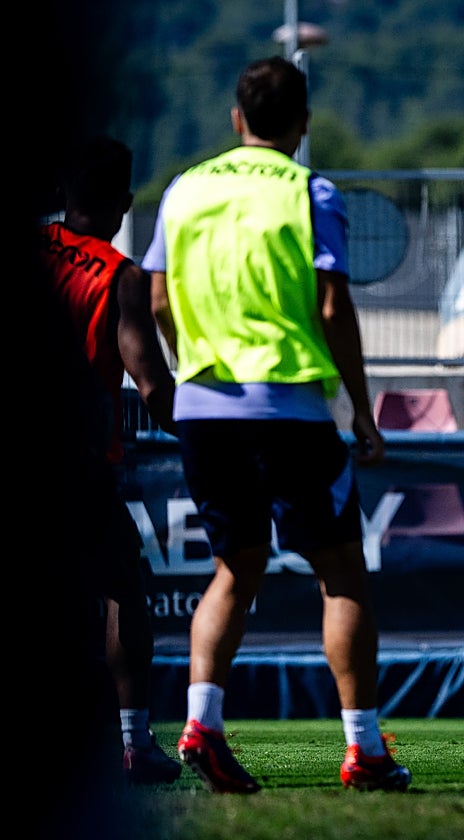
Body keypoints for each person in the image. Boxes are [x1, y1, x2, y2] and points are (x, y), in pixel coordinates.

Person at [142, 56, 410, 793]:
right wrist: (359, 408)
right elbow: (332, 310)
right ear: (304, 123)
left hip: (203, 407)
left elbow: (159, 300)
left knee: (235, 568)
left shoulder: (183, 188)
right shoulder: (309, 190)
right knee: (342, 573)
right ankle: (365, 750)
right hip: (287, 406)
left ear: (236, 119)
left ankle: (202, 722)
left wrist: (193, 367)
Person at [40, 135, 183, 786]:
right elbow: (150, 383)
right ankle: (134, 742)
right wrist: (201, 434)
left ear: (62, 193)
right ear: (125, 203)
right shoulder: (118, 276)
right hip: (78, 464)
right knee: (124, 586)